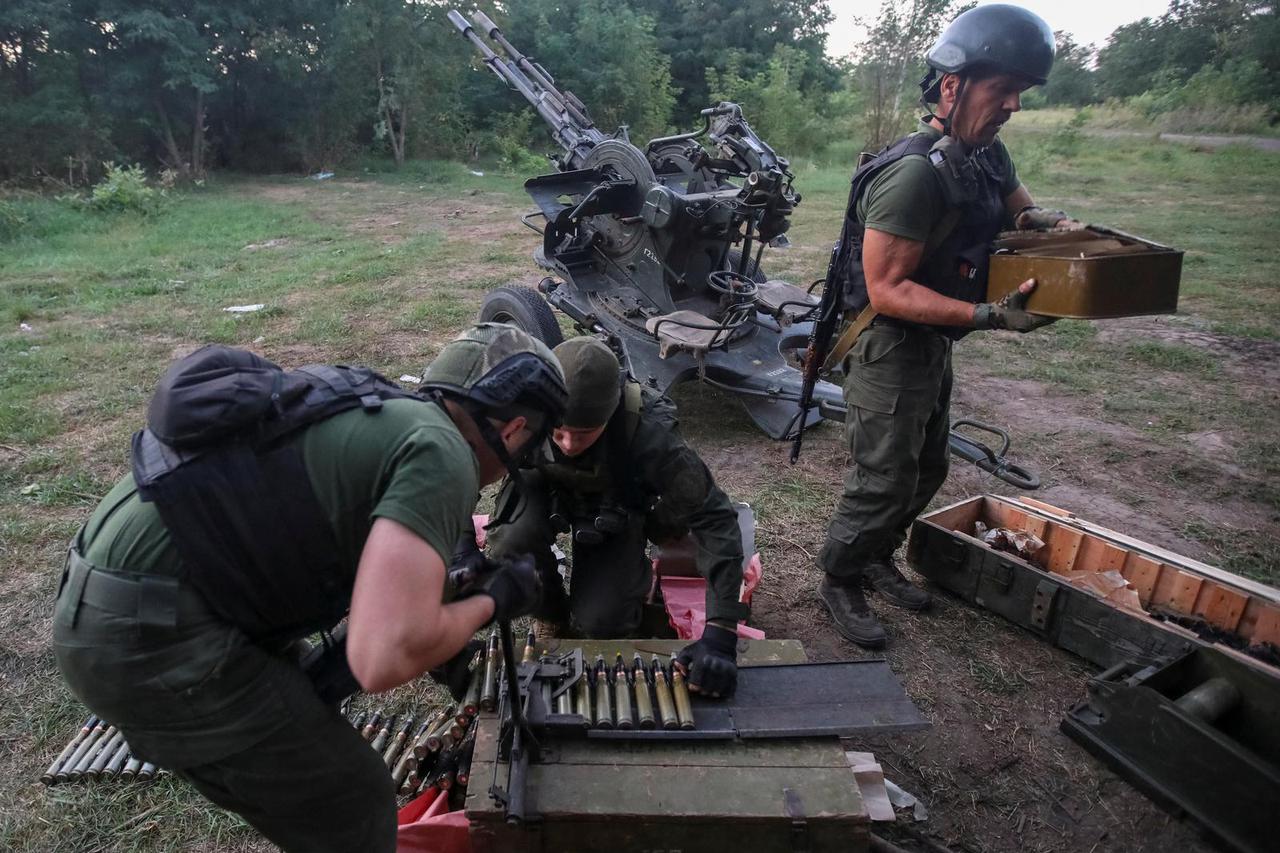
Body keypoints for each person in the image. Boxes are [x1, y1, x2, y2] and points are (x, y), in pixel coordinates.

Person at [52, 323, 566, 853]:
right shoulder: (443, 455)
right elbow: (382, 656)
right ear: (513, 430)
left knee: (304, 701)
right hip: (143, 636)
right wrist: (493, 600)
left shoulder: (384, 413)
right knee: (353, 800)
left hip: (111, 591)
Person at [816, 4, 1081, 649]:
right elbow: (887, 288)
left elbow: (1020, 211)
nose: (1014, 104)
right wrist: (989, 315)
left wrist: (1050, 225)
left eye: (1021, 91)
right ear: (953, 86)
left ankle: (876, 556)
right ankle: (841, 577)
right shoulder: (912, 175)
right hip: (886, 342)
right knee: (884, 477)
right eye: (1003, 89)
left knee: (927, 467)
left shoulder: (987, 156)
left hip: (930, 340)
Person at [486, 336, 746, 697]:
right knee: (509, 544)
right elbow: (456, 461)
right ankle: (550, 611)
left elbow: (715, 519)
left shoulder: (650, 433)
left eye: (584, 434)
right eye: (558, 432)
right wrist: (461, 549)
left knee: (602, 622)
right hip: (541, 489)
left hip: (615, 507)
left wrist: (721, 630)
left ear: (609, 415)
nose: (568, 446)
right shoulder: (523, 409)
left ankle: (622, 587)